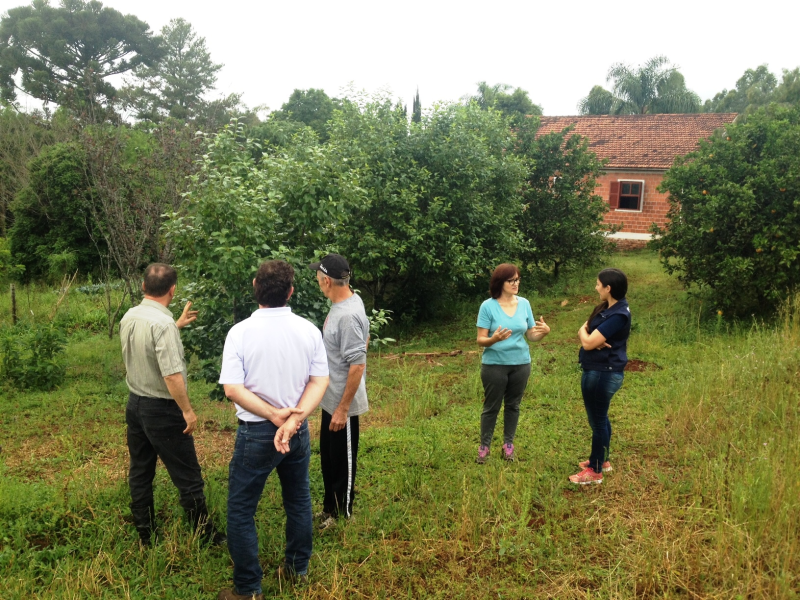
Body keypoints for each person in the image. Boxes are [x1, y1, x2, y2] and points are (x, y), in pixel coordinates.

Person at [217, 260, 329, 600]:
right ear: (291, 291)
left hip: (256, 432)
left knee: (240, 509)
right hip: (298, 430)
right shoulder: (308, 330)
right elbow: (319, 380)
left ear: (255, 287)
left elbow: (233, 389)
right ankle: (297, 570)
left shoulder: (240, 333)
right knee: (298, 500)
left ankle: (249, 589)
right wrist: (294, 420)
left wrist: (276, 416)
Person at [119, 263, 225, 546]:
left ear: (143, 287)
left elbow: (145, 346)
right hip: (162, 410)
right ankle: (204, 535)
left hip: (135, 406)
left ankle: (146, 534)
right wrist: (187, 411)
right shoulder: (162, 324)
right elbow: (171, 375)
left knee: (141, 472)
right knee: (188, 476)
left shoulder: (131, 315)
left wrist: (175, 325)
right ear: (173, 290)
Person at [309, 253, 369, 530]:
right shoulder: (346, 301)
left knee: (342, 462)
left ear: (326, 281)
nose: (317, 283)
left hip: (342, 404)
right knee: (329, 459)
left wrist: (344, 408)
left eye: (318, 278)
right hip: (329, 399)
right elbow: (363, 340)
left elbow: (357, 364)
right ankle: (328, 510)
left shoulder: (347, 315)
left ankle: (343, 514)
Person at [476, 263, 550, 463]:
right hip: (494, 365)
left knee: (513, 405)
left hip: (520, 363)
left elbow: (531, 335)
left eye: (518, 279)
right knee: (491, 406)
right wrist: (494, 340)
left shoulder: (524, 304)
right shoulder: (487, 306)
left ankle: (508, 445)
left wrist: (543, 333)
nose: (516, 283)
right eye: (511, 280)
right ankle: (485, 446)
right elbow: (480, 339)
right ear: (501, 282)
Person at [570, 268, 631, 485]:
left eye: (598, 284)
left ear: (608, 288)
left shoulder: (618, 315)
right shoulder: (608, 308)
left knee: (597, 421)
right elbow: (585, 330)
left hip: (603, 373)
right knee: (601, 417)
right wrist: (586, 334)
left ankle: (595, 470)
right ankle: (602, 460)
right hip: (597, 369)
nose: (595, 287)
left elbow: (586, 341)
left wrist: (585, 337)